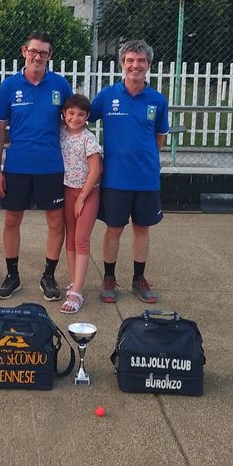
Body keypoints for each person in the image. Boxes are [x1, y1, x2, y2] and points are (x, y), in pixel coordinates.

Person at [0, 31, 72, 300]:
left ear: (50, 56)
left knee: (56, 222)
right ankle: (12, 275)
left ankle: (48, 276)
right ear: (24, 52)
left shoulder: (60, 85)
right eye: (34, 51)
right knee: (12, 220)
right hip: (17, 166)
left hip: (51, 166)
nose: (38, 57)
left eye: (43, 53)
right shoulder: (9, 85)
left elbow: (72, 123)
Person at [89, 39, 169, 303]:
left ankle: (138, 279)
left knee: (142, 229)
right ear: (122, 64)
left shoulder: (158, 100)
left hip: (146, 179)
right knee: (114, 229)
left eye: (141, 61)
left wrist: (146, 159)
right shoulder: (107, 96)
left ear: (149, 65)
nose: (136, 65)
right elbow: (79, 119)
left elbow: (159, 137)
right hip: (115, 178)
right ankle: (109, 278)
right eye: (130, 60)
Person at [59, 94, 103, 313]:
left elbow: (96, 170)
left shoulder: (88, 139)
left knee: (81, 239)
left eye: (80, 114)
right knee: (70, 237)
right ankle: (74, 281)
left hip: (87, 192)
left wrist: (82, 198)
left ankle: (77, 291)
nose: (75, 118)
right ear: (64, 113)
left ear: (87, 117)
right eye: (71, 113)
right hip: (68, 190)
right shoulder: (61, 133)